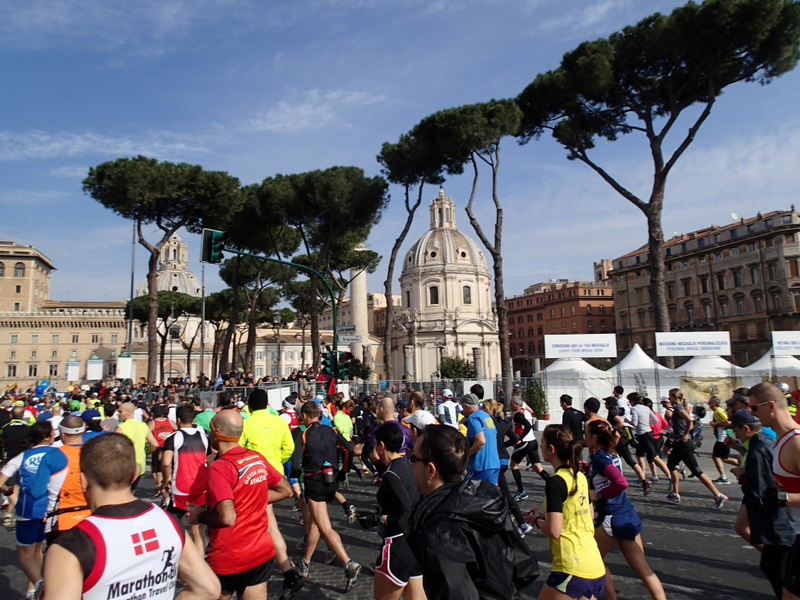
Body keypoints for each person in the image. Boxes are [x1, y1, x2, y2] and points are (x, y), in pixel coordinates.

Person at [43, 433, 220, 600]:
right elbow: (209, 589)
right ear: (135, 473)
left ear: (83, 480)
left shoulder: (69, 546)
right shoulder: (168, 522)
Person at [405, 425, 538, 599]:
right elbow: (524, 567)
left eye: (413, 457)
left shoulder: (439, 532)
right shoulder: (485, 502)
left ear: (430, 470)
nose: (410, 463)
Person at [187, 409, 293, 600]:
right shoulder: (256, 458)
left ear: (216, 432)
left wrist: (200, 516)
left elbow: (227, 518)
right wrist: (250, 497)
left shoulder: (220, 468)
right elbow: (285, 490)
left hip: (229, 555)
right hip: (261, 551)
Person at [585, 420, 666, 600]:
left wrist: (598, 495)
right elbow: (605, 475)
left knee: (593, 561)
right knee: (644, 569)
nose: (585, 438)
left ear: (594, 437)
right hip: (628, 513)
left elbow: (621, 483)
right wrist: (586, 468)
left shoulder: (599, 458)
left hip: (612, 517)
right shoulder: (611, 454)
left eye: (586, 434)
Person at [525, 424, 605, 600]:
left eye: (542, 442)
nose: (540, 447)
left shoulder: (555, 482)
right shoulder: (581, 477)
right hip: (594, 563)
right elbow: (589, 516)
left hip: (571, 565)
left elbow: (555, 531)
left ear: (551, 449)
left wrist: (537, 519)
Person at [293, 400, 362, 592]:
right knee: (316, 523)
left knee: (323, 526)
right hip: (331, 480)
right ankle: (305, 562)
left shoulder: (303, 433)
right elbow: (349, 448)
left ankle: (347, 563)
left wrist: (294, 473)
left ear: (306, 416)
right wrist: (343, 470)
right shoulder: (331, 430)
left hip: (314, 481)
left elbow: (296, 464)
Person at [728, 408, 794, 598]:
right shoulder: (765, 442)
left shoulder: (757, 449)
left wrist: (742, 477)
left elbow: (760, 490)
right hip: (780, 515)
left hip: (776, 519)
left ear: (746, 429)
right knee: (772, 566)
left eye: (736, 430)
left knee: (775, 569)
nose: (736, 434)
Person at [746, 382, 800, 600]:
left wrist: (781, 498)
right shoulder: (778, 441)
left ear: (770, 405)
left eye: (753, 408)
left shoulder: (796, 442)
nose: (751, 414)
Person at [368, 422, 426, 600]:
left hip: (397, 544)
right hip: (416, 543)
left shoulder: (390, 475)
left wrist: (385, 519)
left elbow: (407, 512)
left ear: (381, 445)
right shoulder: (407, 465)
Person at [0, 422, 56, 598]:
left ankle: (38, 586)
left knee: (25, 554)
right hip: (49, 508)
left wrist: (7, 491)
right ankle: (32, 589)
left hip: (27, 509)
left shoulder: (22, 456)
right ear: (47, 437)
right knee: (38, 550)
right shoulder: (57, 454)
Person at [663, 389, 728, 509]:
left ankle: (718, 495)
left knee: (696, 471)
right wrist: (678, 433)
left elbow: (689, 421)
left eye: (669, 396)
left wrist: (685, 434)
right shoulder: (680, 407)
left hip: (683, 445)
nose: (668, 399)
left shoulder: (678, 408)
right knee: (671, 464)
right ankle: (675, 493)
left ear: (674, 397)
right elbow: (688, 423)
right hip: (679, 443)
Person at [31, 416, 91, 543]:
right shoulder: (94, 453)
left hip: (61, 521)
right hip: (90, 518)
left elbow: (37, 492)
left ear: (62, 433)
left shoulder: (52, 456)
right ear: (83, 431)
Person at [161, 403, 209, 555]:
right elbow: (210, 457)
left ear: (178, 420)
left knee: (173, 526)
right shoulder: (204, 436)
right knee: (197, 529)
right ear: (194, 419)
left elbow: (166, 462)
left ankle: (179, 558)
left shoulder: (173, 438)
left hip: (180, 487)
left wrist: (165, 479)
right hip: (200, 487)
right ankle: (200, 565)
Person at [115, 401, 158, 490]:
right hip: (140, 465)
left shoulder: (121, 428)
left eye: (120, 411)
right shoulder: (143, 426)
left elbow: (115, 449)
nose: (117, 414)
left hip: (125, 466)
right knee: (132, 492)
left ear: (129, 413)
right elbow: (155, 444)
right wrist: (145, 453)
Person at [460, 393, 500, 484]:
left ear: (467, 406)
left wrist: (467, 455)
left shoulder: (473, 417)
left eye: (463, 407)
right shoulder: (486, 416)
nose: (463, 410)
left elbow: (481, 441)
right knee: (492, 495)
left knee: (466, 494)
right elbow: (494, 435)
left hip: (481, 465)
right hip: (494, 463)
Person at [708, 396, 732, 484]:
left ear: (713, 403)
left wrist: (716, 425)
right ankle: (744, 466)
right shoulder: (718, 411)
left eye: (709, 402)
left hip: (722, 437)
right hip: (723, 437)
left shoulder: (718, 412)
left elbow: (728, 423)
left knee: (716, 457)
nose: (708, 404)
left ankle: (724, 477)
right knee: (724, 458)